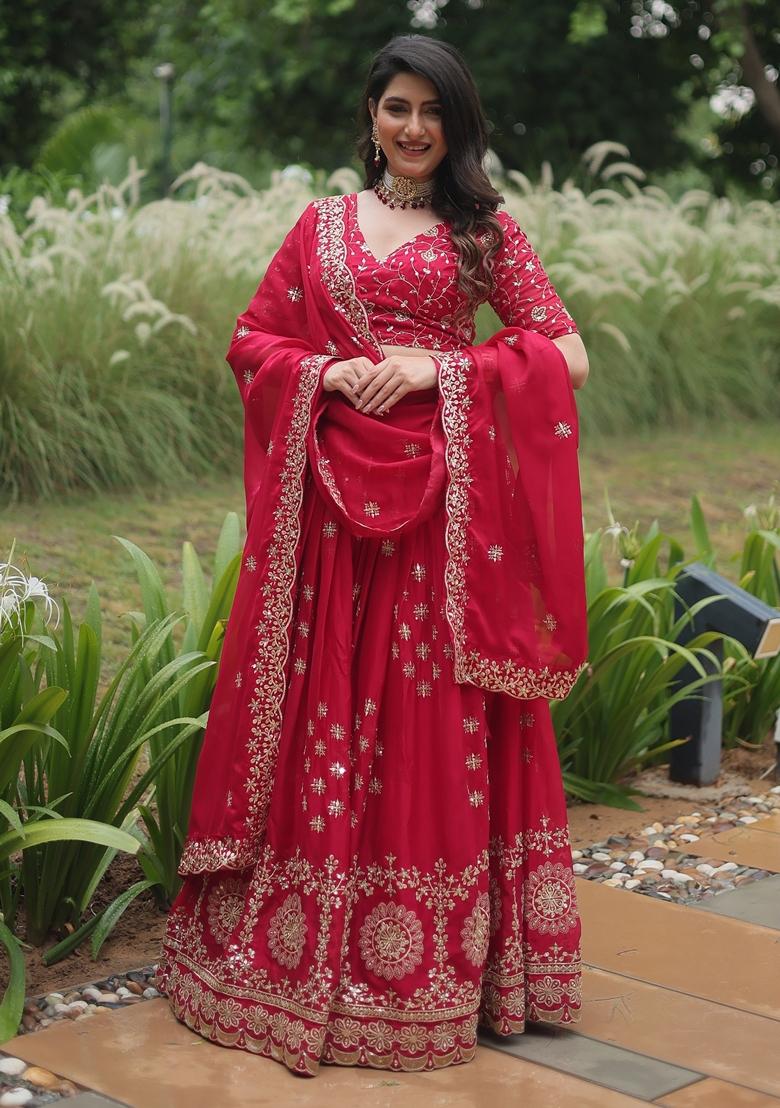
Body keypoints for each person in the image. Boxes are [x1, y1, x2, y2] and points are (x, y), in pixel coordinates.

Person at [156, 33, 590, 1078]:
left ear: (458, 124)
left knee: (425, 719)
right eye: (397, 107)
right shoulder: (320, 227)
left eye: (433, 111)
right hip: (329, 518)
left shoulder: (484, 233)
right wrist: (329, 375)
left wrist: (442, 367)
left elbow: (566, 351)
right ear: (371, 116)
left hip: (442, 521)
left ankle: (430, 974)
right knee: (326, 706)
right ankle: (296, 951)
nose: (413, 128)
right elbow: (253, 341)